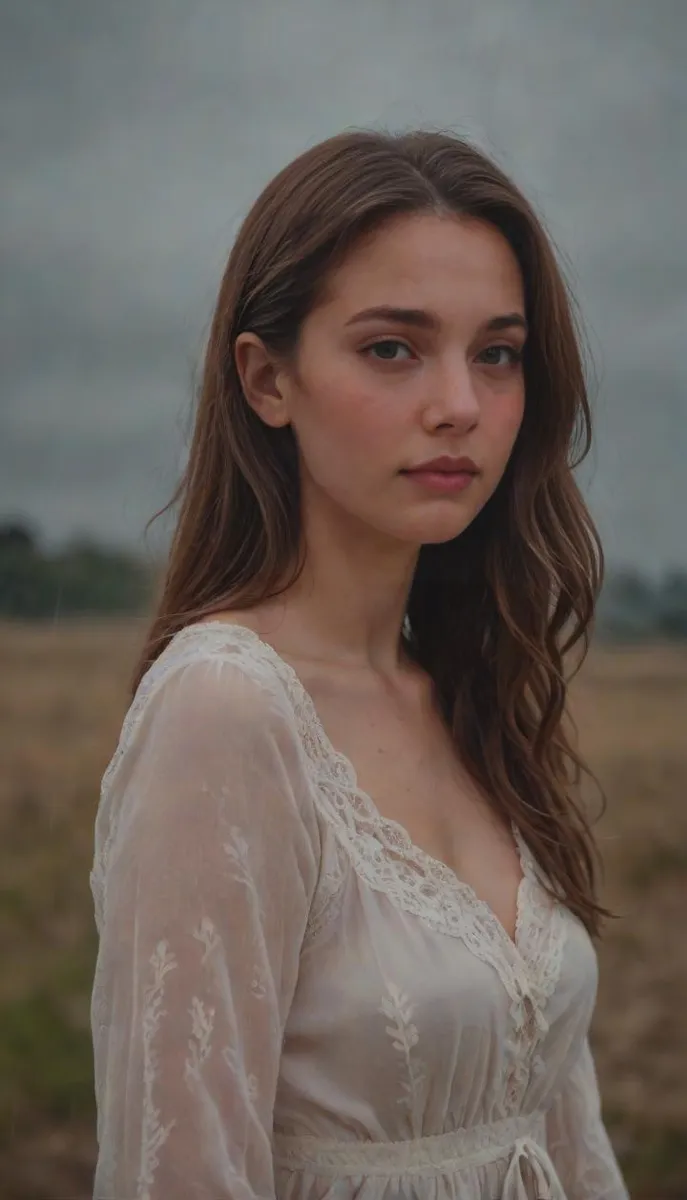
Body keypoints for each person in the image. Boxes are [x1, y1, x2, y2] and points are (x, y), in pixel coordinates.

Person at [89, 128, 630, 1199]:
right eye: (393, 347)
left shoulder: (474, 691)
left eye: (498, 353)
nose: (461, 407)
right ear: (267, 378)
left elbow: (561, 1136)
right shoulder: (226, 712)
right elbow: (182, 1171)